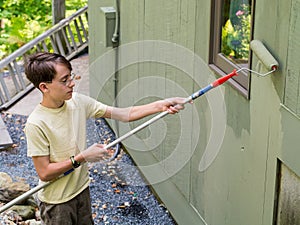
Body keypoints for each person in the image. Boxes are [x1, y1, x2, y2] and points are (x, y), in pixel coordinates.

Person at [24, 52, 187, 225]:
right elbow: (45, 172)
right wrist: (82, 157)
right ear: (44, 87)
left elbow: (124, 114)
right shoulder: (36, 123)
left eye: (70, 76)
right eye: (64, 81)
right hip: (57, 203)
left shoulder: (78, 102)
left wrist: (160, 105)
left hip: (81, 190)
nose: (72, 83)